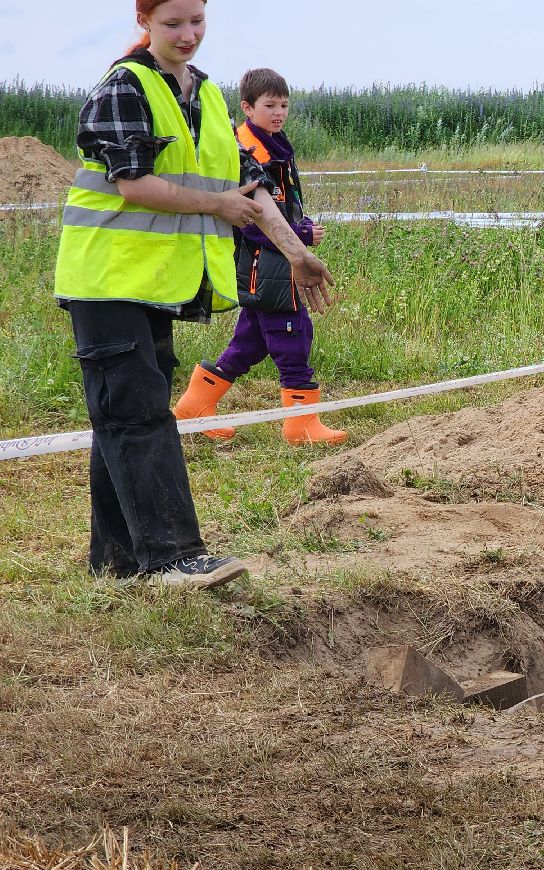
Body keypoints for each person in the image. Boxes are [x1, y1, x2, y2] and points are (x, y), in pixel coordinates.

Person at [53, 0, 335, 588]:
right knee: (136, 413)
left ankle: (118, 559)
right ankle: (173, 555)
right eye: (173, 23)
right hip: (105, 279)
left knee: (124, 413)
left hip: (154, 284)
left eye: (196, 22)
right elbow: (134, 186)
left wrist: (297, 254)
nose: (188, 35)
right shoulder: (124, 88)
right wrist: (215, 205)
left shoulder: (204, 95)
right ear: (144, 22)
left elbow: (247, 191)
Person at [173, 67, 346, 446]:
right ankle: (299, 425)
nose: (279, 112)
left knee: (250, 341)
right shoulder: (246, 150)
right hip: (261, 264)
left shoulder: (277, 145)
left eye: (284, 104)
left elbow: (282, 205)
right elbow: (248, 217)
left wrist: (302, 224)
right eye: (270, 105)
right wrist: (298, 235)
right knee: (292, 335)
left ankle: (194, 406)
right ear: (247, 107)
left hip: (278, 261)